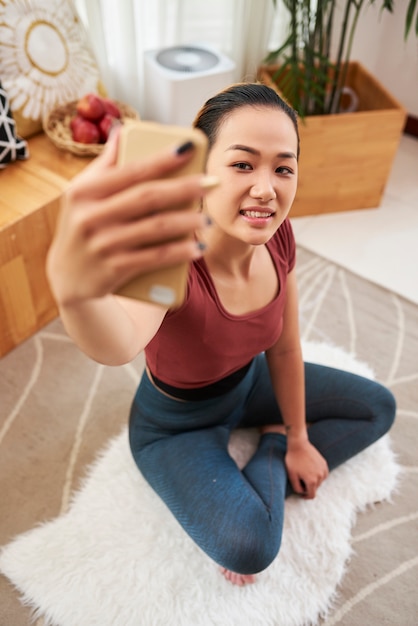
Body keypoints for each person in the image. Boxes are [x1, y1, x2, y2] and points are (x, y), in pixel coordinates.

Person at [47, 83, 396, 586]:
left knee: (377, 408)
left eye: (283, 167)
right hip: (176, 424)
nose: (265, 188)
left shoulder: (280, 237)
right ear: (202, 171)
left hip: (249, 383)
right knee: (249, 545)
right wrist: (75, 292)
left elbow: (285, 346)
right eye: (242, 164)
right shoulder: (172, 255)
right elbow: (117, 344)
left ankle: (272, 444)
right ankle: (265, 453)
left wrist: (298, 435)